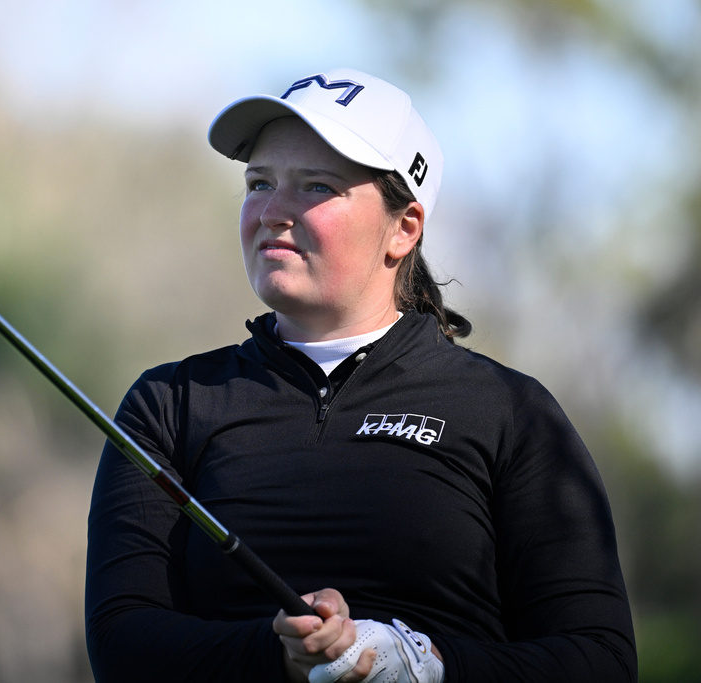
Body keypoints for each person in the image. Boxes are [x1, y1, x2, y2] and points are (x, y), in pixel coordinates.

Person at [84, 68, 637, 682]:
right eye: (259, 183)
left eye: (316, 187)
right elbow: (122, 643)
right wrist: (281, 657)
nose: (271, 212)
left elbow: (600, 661)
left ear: (403, 229)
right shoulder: (169, 405)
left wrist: (420, 665)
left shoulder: (509, 412)